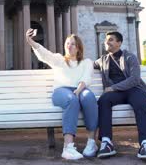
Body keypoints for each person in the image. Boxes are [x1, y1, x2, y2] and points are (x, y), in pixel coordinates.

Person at [25, 29, 98, 160]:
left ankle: (91, 142)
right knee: (72, 100)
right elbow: (44, 54)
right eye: (67, 43)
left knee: (89, 97)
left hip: (80, 89)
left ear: (79, 48)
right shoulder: (59, 59)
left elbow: (86, 78)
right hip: (61, 92)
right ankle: (68, 147)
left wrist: (79, 89)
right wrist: (31, 42)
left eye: (73, 44)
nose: (69, 46)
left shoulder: (86, 62)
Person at [94, 31, 146, 163]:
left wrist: (113, 87)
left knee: (140, 102)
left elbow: (135, 79)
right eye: (106, 40)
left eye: (111, 39)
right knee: (103, 100)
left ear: (119, 43)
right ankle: (106, 142)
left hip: (134, 90)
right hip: (117, 94)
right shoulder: (103, 60)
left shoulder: (130, 57)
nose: (107, 42)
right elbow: (87, 65)